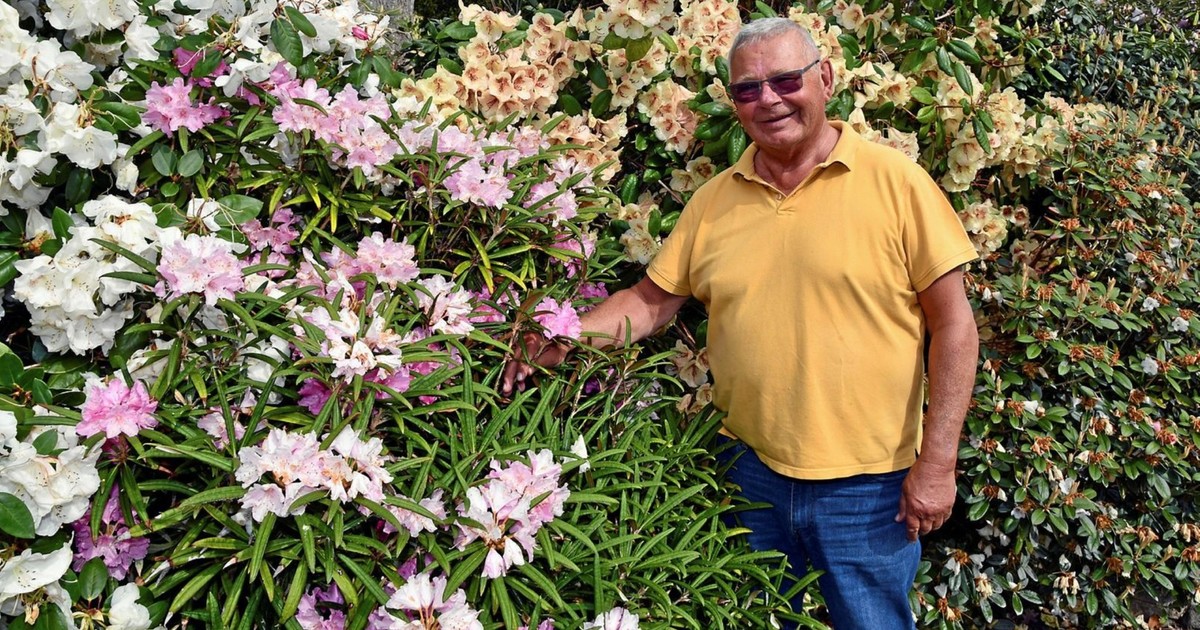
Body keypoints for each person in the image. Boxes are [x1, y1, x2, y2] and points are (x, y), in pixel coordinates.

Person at [501, 17, 979, 629]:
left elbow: (956, 328)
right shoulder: (715, 199)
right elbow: (650, 303)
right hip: (748, 473)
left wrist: (937, 464)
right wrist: (563, 336)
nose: (768, 100)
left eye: (785, 80)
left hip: (870, 486)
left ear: (826, 78)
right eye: (748, 90)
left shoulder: (897, 184)